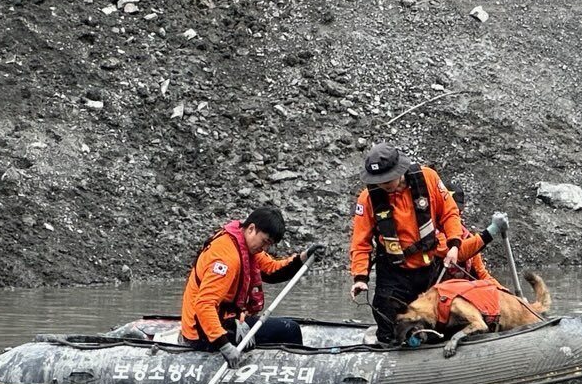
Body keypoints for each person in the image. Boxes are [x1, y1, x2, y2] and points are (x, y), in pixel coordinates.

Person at [348, 143, 467, 343]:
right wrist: (360, 277)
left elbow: (449, 213)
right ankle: (388, 349)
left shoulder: (428, 179)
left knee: (438, 319)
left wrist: (454, 245)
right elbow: (360, 243)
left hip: (430, 268)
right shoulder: (367, 199)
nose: (383, 184)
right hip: (394, 272)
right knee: (385, 312)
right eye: (378, 180)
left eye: (387, 178)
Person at [180, 205, 323, 366]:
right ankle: (295, 374)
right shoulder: (227, 258)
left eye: (269, 245)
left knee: (278, 327)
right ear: (251, 229)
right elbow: (204, 304)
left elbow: (271, 271)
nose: (265, 248)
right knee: (290, 330)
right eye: (265, 242)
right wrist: (225, 345)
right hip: (201, 332)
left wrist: (303, 258)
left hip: (224, 320)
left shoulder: (244, 246)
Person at [441, 184, 507, 286]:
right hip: (432, 293)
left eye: (456, 211)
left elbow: (482, 275)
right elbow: (460, 252)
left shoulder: (467, 237)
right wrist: (492, 230)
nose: (453, 215)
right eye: (448, 211)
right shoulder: (431, 234)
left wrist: (506, 295)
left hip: (460, 296)